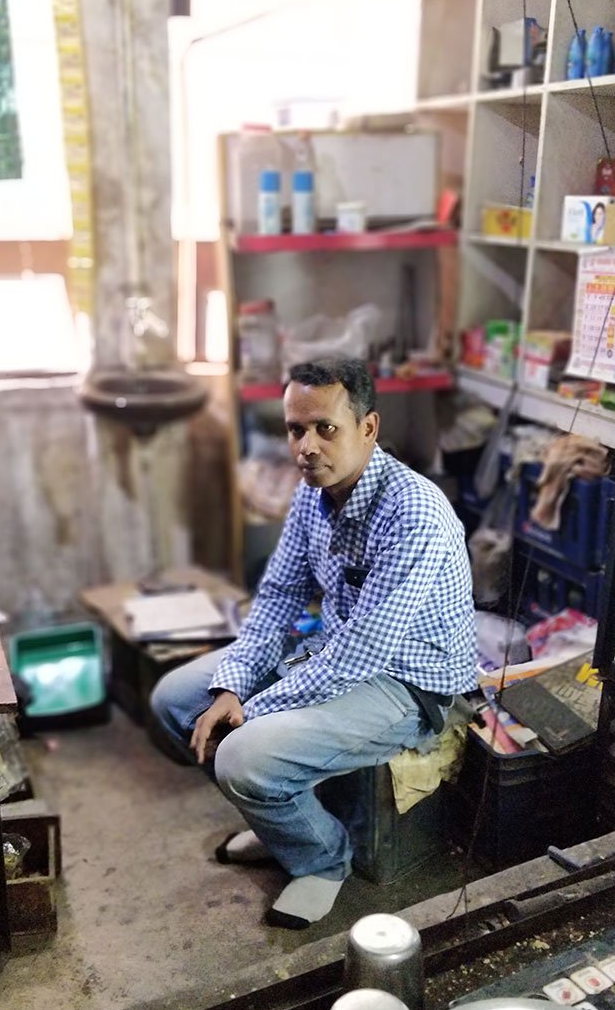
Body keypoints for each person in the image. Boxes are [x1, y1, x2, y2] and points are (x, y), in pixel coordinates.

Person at [150, 357, 476, 929]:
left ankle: (322, 861)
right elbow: (277, 595)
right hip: (332, 655)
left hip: (405, 685)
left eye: (326, 428)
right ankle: (281, 818)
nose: (307, 446)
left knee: (241, 754)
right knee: (177, 699)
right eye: (296, 429)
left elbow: (362, 655)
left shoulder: (414, 514)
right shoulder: (314, 491)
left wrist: (250, 708)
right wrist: (232, 684)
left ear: (367, 428)